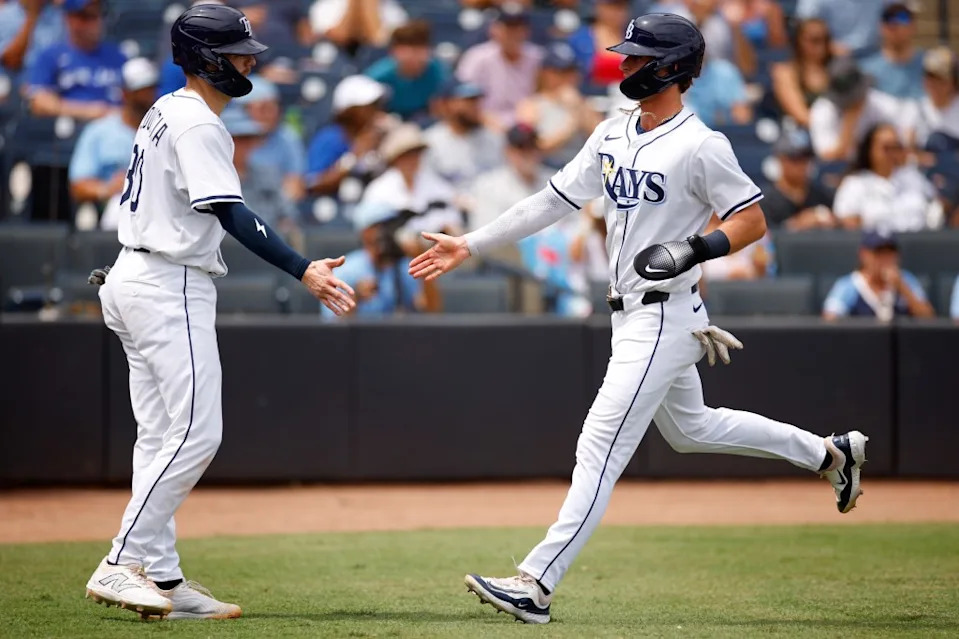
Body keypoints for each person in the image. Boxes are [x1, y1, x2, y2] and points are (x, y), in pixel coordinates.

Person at [409, 13, 868, 624]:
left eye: (637, 58)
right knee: (693, 429)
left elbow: (751, 218)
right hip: (630, 315)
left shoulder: (703, 144)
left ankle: (536, 583)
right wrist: (473, 242)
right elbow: (553, 199)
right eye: (625, 56)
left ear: (673, 66)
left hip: (663, 316)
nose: (624, 65)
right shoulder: (612, 131)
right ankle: (829, 453)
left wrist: (697, 248)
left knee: (599, 444)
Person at [83, 4, 355, 621]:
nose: (248, 59)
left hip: (133, 272)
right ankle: (121, 561)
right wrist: (303, 267)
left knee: (159, 438)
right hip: (167, 283)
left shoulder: (165, 107)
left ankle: (165, 577)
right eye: (236, 51)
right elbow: (231, 213)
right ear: (206, 57)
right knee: (196, 434)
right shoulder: (199, 124)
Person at [69, 58, 158, 230]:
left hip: (157, 201)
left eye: (151, 88)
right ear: (125, 93)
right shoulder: (99, 131)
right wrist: (108, 189)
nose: (148, 95)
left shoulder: (164, 128)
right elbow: (78, 186)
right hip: (117, 204)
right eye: (141, 90)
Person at [321, 199, 440, 318]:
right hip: (360, 336)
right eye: (380, 226)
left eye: (390, 225)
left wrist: (423, 263)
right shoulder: (345, 269)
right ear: (365, 232)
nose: (387, 231)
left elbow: (431, 310)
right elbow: (333, 327)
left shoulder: (405, 267)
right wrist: (356, 297)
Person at [832, 123, 942, 233]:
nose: (892, 153)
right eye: (886, 148)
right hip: (877, 247)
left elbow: (934, 212)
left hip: (917, 245)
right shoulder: (854, 184)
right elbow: (847, 223)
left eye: (896, 147)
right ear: (870, 150)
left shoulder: (916, 180)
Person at [26, 0, 125, 120]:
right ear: (69, 18)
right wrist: (87, 111)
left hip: (116, 126)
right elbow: (39, 103)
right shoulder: (51, 55)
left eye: (99, 14)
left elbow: (138, 100)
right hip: (69, 129)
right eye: (86, 16)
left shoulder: (118, 55)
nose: (95, 22)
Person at [363, 122, 463, 237]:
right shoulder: (379, 189)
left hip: (433, 247)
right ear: (396, 158)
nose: (412, 159)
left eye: (416, 153)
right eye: (406, 155)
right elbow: (371, 229)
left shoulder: (436, 184)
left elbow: (452, 220)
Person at [455, 3, 544, 130]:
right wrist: (490, 122)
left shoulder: (537, 57)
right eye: (508, 28)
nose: (514, 34)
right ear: (494, 30)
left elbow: (547, 94)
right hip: (484, 125)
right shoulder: (476, 57)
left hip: (528, 125)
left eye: (519, 28)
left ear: (527, 31)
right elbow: (462, 97)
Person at [515, 41, 602, 168]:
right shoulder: (531, 105)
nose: (568, 77)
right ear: (545, 73)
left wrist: (580, 107)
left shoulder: (581, 102)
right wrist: (572, 122)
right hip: (547, 171)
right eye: (561, 72)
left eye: (571, 71)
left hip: (581, 170)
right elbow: (538, 148)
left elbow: (602, 140)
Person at [808, 56, 908, 162]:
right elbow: (828, 159)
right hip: (842, 171)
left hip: (878, 169)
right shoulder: (823, 110)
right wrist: (851, 119)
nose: (855, 99)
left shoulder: (876, 101)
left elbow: (905, 137)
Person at [305, 74, 392, 196]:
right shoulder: (330, 137)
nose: (375, 110)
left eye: (376, 104)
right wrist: (353, 157)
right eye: (369, 106)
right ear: (349, 111)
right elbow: (313, 185)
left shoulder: (380, 135)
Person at [823, 231, 933, 321]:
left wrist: (902, 288)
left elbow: (928, 318)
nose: (885, 259)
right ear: (863, 254)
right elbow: (830, 319)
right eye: (879, 253)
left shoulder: (907, 280)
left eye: (890, 253)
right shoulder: (848, 285)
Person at [235, 75, 307, 205]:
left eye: (274, 107)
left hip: (273, 207)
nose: (270, 113)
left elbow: (295, 186)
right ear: (243, 110)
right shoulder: (228, 134)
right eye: (262, 108)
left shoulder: (288, 137)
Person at [423, 81, 504, 191]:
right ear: (447, 105)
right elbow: (427, 185)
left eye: (477, 101)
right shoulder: (430, 142)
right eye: (468, 101)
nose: (475, 107)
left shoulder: (493, 139)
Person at [363, 19, 450, 122]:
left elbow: (442, 109)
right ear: (393, 51)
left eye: (418, 50)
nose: (412, 56)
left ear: (429, 50)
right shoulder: (376, 77)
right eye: (406, 51)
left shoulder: (439, 72)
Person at [760, 129, 836, 230]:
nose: (802, 165)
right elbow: (763, 237)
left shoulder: (822, 195)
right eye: (795, 159)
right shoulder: (766, 200)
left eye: (806, 159)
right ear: (781, 159)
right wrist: (796, 224)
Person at [770, 18, 832, 129]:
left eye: (826, 39)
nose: (821, 46)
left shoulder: (837, 69)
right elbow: (801, 116)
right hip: (802, 138)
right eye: (815, 40)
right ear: (799, 41)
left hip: (840, 136)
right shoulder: (785, 73)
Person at [859, 3, 924, 102]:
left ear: (913, 26)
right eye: (888, 18)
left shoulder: (929, 65)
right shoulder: (866, 70)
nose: (895, 24)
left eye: (903, 18)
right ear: (881, 27)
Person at [566, 0, 631, 87]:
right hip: (590, 94)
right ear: (597, 7)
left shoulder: (634, 39)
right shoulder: (579, 40)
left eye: (622, 7)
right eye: (612, 7)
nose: (618, 12)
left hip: (626, 95)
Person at [0, 0, 66, 74]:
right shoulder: (4, 16)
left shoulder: (60, 16)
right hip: (17, 82)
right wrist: (32, 16)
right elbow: (11, 62)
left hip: (53, 81)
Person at [914, 46, 959, 152]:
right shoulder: (914, 110)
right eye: (931, 78)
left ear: (953, 82)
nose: (935, 85)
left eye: (941, 80)